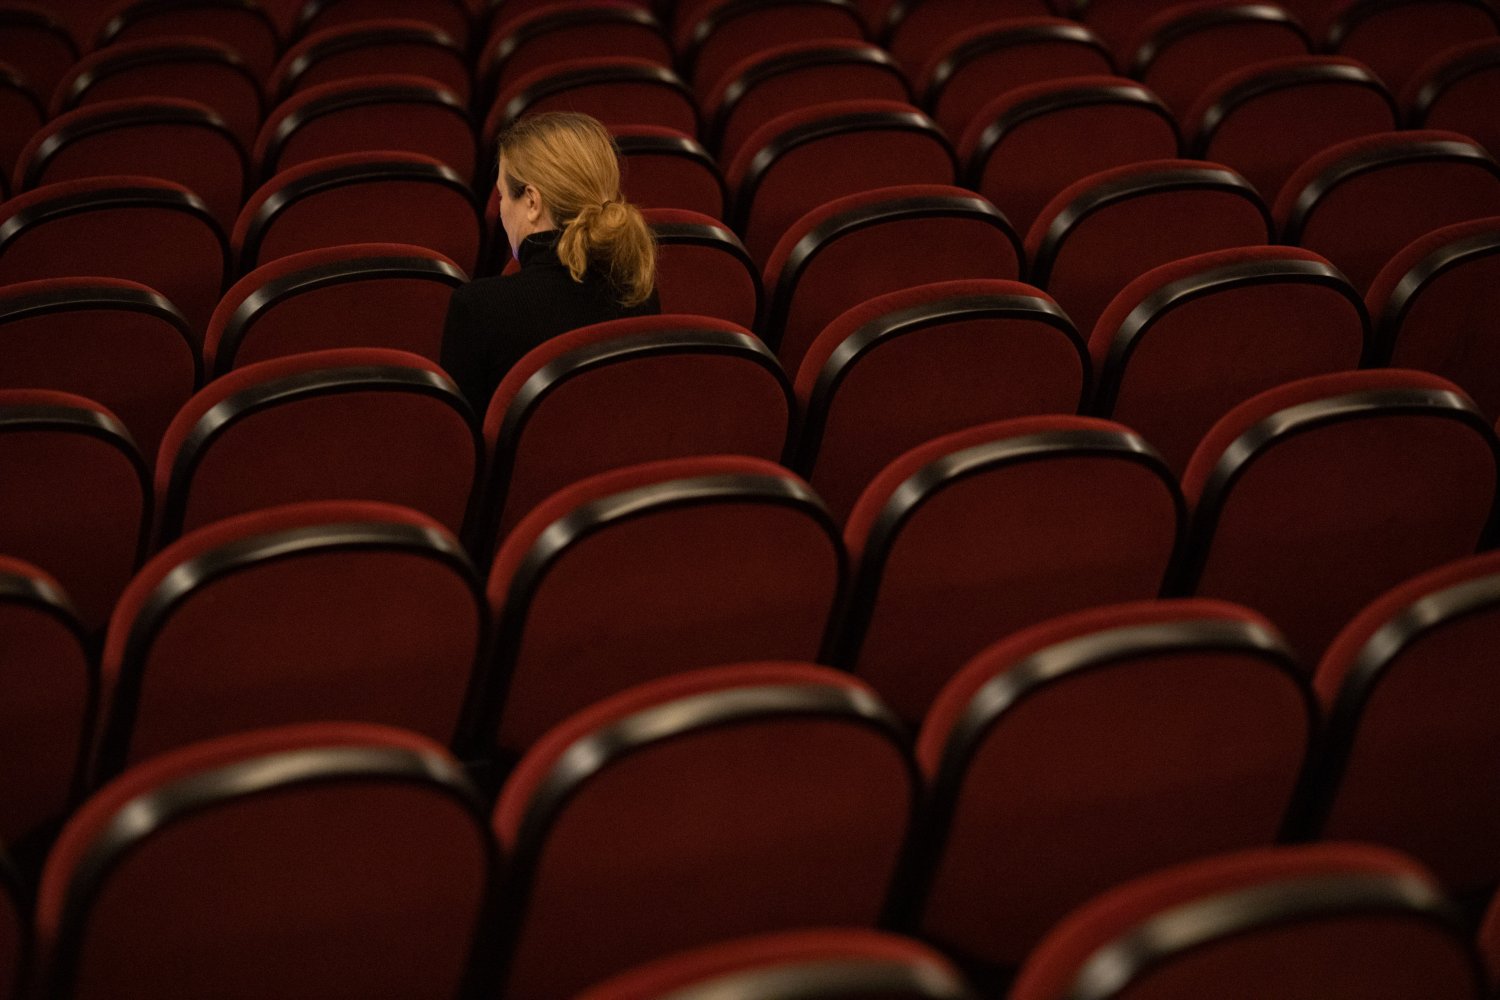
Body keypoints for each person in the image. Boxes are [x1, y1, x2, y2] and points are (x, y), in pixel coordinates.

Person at [440, 112, 660, 412]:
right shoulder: (638, 291)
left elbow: (462, 447)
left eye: (503, 196)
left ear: (532, 201)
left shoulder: (479, 309)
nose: (500, 210)